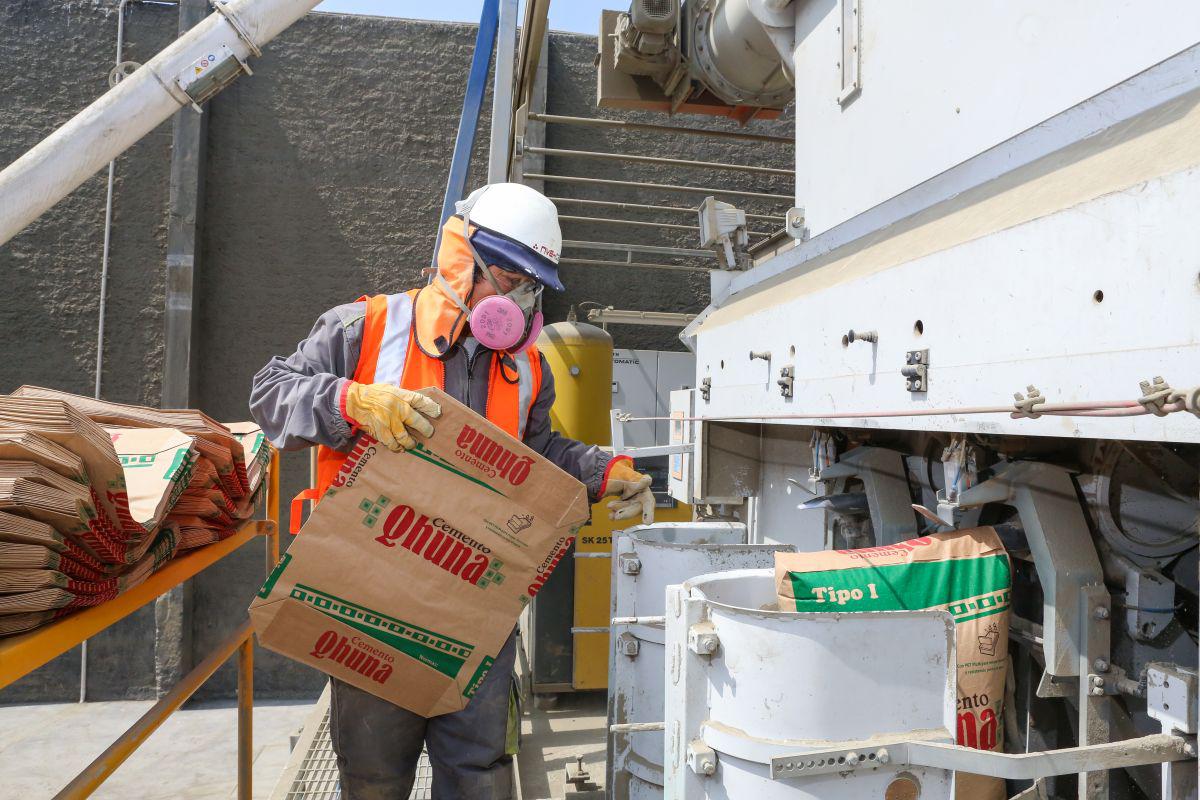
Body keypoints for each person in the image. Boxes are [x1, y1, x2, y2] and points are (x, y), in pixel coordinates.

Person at [249, 182, 656, 800]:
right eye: (509, 277)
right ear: (462, 259)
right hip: (371, 601)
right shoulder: (369, 328)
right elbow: (269, 395)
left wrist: (605, 470)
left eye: (531, 286)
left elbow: (537, 455)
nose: (518, 299)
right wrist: (351, 400)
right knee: (374, 777)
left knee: (482, 772)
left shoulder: (525, 368)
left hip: (475, 604)